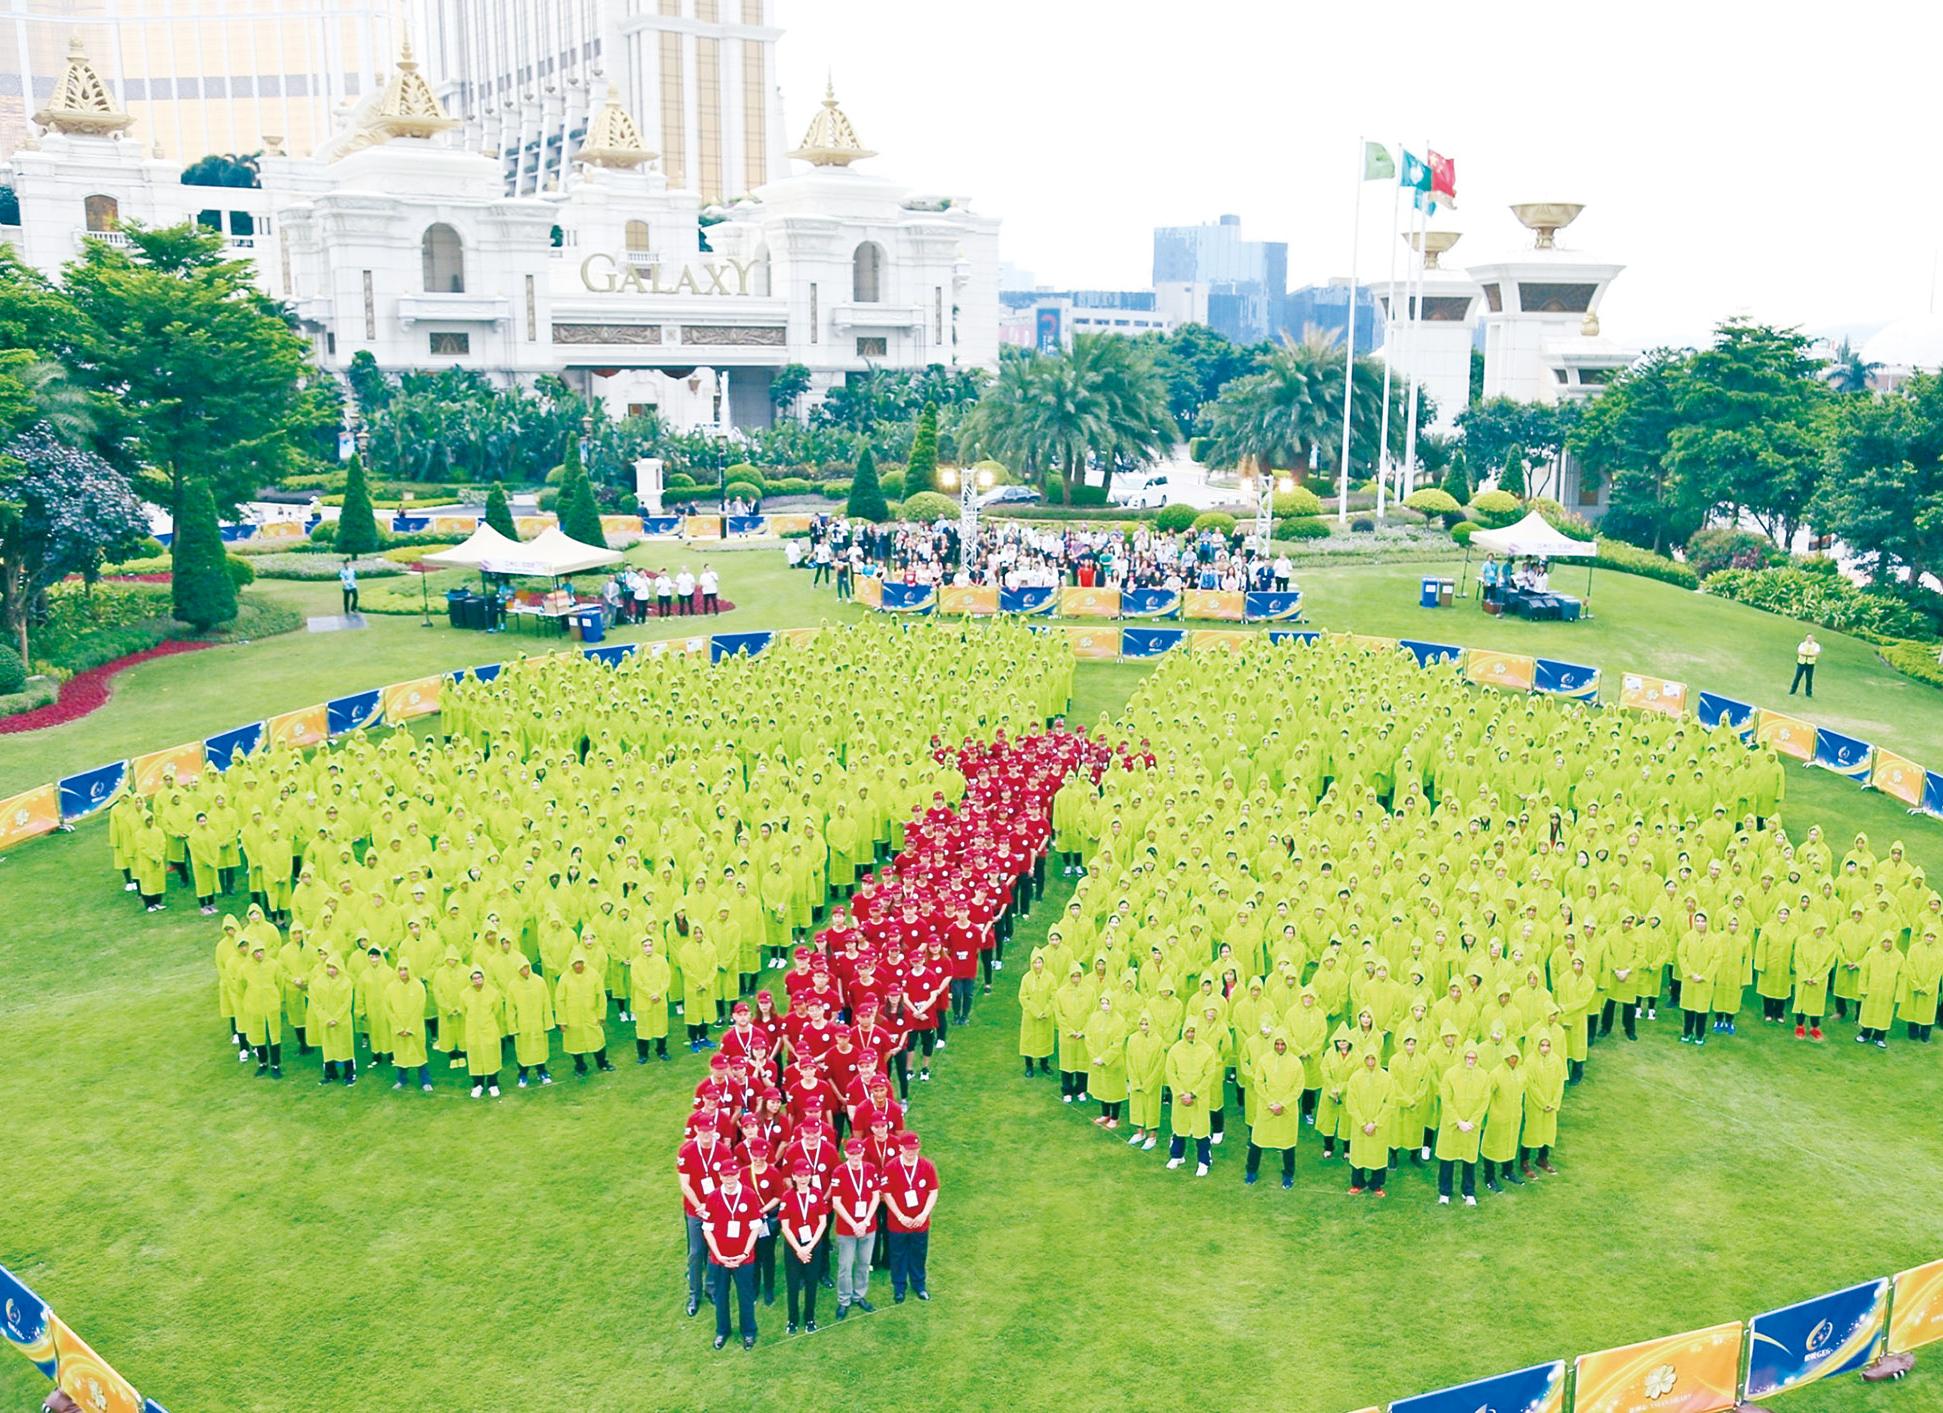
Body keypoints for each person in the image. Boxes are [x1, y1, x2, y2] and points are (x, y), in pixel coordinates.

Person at [702, 1165, 762, 1350]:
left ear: (738, 1174)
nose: (729, 1179)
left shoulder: (749, 1195)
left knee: (746, 1295)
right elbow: (707, 1230)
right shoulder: (712, 1197)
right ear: (720, 1177)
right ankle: (722, 1330)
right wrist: (718, 1254)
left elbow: (755, 1227)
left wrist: (744, 1253)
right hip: (720, 1259)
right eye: (725, 1176)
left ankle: (749, 1332)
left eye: (732, 1175)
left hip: (744, 1258)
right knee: (720, 1296)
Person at [880, 1130, 938, 1302]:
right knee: (898, 1255)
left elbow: (933, 1191)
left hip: (920, 1222)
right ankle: (899, 1288)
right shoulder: (891, 1167)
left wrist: (923, 1214)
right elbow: (887, 1194)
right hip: (898, 1223)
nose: (911, 1152)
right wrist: (900, 1216)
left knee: (918, 1253)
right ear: (900, 1148)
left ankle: (919, 1285)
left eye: (915, 1148)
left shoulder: (926, 1166)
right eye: (908, 1148)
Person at [830, 1137, 879, 1318]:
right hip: (846, 1228)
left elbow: (875, 1197)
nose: (855, 1156)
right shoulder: (839, 1172)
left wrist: (865, 1222)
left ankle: (859, 1295)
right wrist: (854, 1224)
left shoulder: (870, 1169)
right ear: (846, 1154)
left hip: (868, 1227)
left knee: (864, 1263)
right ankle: (844, 1299)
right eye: (852, 1154)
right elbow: (836, 1203)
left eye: (858, 1153)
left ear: (862, 1153)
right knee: (845, 1265)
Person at [1435, 1045, 1491, 1207]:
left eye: (1474, 1058)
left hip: (1471, 1126)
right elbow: (1446, 1100)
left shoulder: (1483, 1076)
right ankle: (1444, 1192)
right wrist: (1458, 1121)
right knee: (1447, 1159)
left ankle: (1469, 1192)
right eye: (1468, 1057)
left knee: (1469, 1160)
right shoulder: (1450, 1074)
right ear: (1463, 1057)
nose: (1470, 1061)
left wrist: (1472, 1122)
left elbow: (1484, 1101)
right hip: (1452, 1124)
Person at [1246, 1028, 1302, 1188]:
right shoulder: (1264, 1060)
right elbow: (1259, 1082)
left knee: (1288, 1143)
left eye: (1282, 1044)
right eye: (1276, 1043)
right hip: (1266, 1107)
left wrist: (1282, 1104)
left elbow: (1298, 1087)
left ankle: (1288, 1174)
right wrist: (1270, 1102)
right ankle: (1251, 1171)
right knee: (1257, 1140)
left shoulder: (1295, 1063)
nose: (1279, 1047)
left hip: (1287, 1109)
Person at [1164, 1019, 1219, 1176]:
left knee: (1201, 1130)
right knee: (1179, 1127)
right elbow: (1170, 1072)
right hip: (1180, 1097)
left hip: (1198, 1098)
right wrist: (1181, 1093)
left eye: (1193, 1031)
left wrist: (1194, 1093)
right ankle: (1177, 1156)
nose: (1190, 1034)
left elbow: (1209, 1075)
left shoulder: (1207, 1051)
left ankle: (1203, 1161)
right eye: (1188, 1031)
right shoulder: (1175, 1050)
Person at [780, 1161, 828, 1334]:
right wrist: (799, 1249)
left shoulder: (817, 1193)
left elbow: (823, 1222)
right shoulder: (787, 1196)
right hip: (794, 1246)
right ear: (793, 1176)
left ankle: (809, 1318)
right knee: (792, 1284)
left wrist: (809, 1247)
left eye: (806, 1175)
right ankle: (792, 1320)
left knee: (811, 1282)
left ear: (810, 1176)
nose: (803, 1179)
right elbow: (785, 1226)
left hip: (813, 1245)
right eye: (799, 1176)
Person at [1344, 1048, 1394, 1196]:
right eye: (1368, 1059)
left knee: (1378, 1154)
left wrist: (1375, 1123)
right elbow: (1351, 1103)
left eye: (1373, 1059)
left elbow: (1390, 1103)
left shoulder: (1387, 1078)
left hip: (1378, 1125)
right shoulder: (1356, 1078)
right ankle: (1357, 1183)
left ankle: (1376, 1184)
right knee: (1358, 1154)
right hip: (1360, 1124)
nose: (1371, 1062)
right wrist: (1362, 1123)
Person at [1790, 632, 1821, 697]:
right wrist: (1810, 655)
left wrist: (1806, 654)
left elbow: (1815, 653)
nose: (1809, 639)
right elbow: (1800, 652)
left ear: (1813, 638)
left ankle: (1808, 693)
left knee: (1809, 679)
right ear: (1806, 638)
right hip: (1801, 663)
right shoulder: (1802, 644)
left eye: (1811, 638)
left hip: (1810, 664)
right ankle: (1792, 691)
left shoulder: (1816, 645)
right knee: (1797, 677)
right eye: (1808, 638)